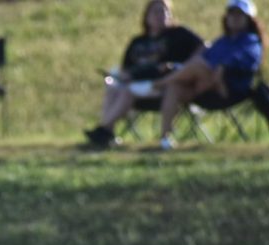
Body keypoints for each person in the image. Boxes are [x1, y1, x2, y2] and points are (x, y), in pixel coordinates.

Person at [84, 0, 205, 149]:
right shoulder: (138, 41)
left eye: (165, 11)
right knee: (112, 85)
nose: (161, 15)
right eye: (156, 11)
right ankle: (107, 132)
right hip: (136, 84)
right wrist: (123, 76)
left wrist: (186, 66)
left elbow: (204, 47)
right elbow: (125, 68)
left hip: (163, 84)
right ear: (146, 17)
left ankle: (104, 130)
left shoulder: (179, 34)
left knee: (127, 91)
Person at [156, 0, 265, 150]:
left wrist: (222, 67)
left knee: (198, 65)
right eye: (231, 14)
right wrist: (175, 66)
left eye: (240, 15)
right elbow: (206, 59)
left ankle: (159, 84)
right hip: (205, 88)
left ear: (249, 19)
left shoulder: (251, 41)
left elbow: (246, 61)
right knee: (175, 87)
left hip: (229, 90)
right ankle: (165, 139)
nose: (234, 18)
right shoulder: (222, 42)